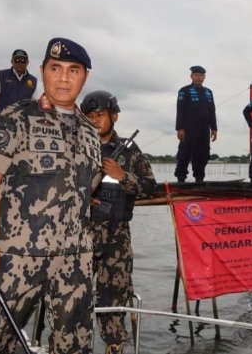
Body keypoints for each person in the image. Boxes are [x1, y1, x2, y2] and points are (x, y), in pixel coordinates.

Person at [0, 37, 102, 354]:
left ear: (85, 76)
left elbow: (89, 187)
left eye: (73, 70)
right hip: (18, 258)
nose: (63, 77)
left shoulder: (90, 131)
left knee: (74, 346)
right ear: (42, 71)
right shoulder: (16, 117)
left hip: (75, 261)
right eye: (55, 68)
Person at [80, 90, 156, 354]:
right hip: (79, 236)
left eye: (99, 115)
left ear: (114, 116)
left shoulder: (130, 151)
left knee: (114, 300)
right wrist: (81, 198)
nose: (94, 121)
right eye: (88, 116)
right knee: (73, 299)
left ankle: (114, 347)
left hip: (116, 237)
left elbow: (149, 188)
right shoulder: (76, 147)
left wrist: (123, 175)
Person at [174, 65, 217, 183]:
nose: (199, 78)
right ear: (191, 76)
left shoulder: (208, 92)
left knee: (202, 154)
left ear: (204, 77)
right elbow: (180, 110)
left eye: (201, 75)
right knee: (184, 154)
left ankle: (199, 178)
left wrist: (214, 128)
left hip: (204, 129)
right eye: (196, 75)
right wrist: (180, 128)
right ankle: (181, 177)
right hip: (188, 128)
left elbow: (212, 111)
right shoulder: (184, 91)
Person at [0, 48, 40, 120]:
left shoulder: (33, 81)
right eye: (17, 61)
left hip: (23, 122)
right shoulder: (1, 75)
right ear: (12, 61)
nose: (20, 63)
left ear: (27, 63)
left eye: (23, 61)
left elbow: (35, 103)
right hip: (1, 120)